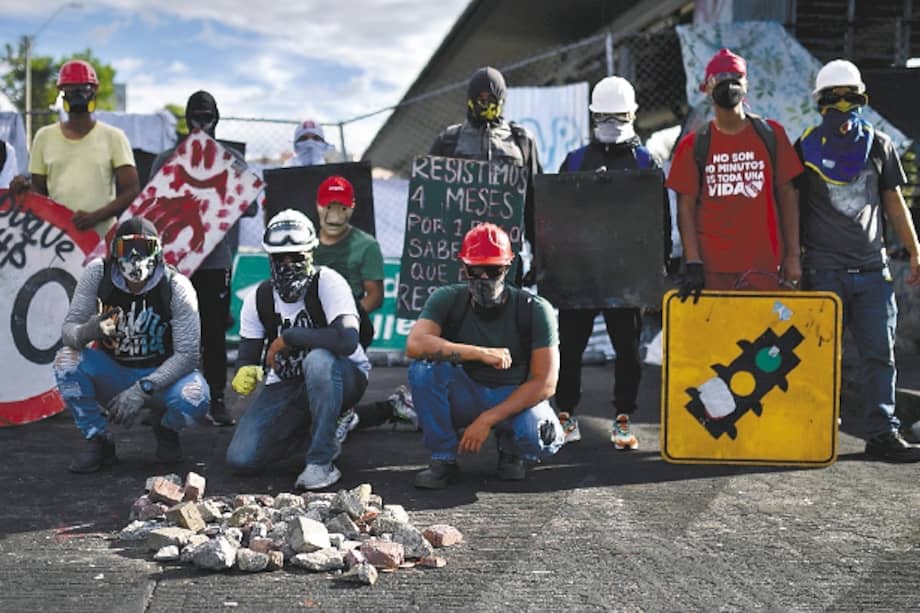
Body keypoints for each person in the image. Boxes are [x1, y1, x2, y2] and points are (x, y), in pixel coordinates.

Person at [795, 59, 920, 462]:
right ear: (820, 103)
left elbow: (894, 204)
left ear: (863, 100)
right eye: (835, 99)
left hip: (870, 271)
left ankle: (883, 433)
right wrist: (791, 261)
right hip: (823, 270)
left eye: (853, 98)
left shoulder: (879, 145)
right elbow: (793, 209)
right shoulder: (806, 148)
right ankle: (813, 428)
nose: (844, 108)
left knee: (879, 354)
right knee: (817, 353)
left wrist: (916, 250)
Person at [554, 75, 672, 450]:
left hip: (626, 278)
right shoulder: (575, 161)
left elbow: (660, 223)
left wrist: (657, 273)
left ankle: (623, 418)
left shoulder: (645, 160)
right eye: (605, 116)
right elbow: (554, 218)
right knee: (570, 348)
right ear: (593, 117)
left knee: (627, 350)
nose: (611, 123)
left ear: (632, 115)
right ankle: (565, 414)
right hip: (581, 275)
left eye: (616, 115)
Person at [407, 223, 564, 489]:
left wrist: (487, 420)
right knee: (423, 368)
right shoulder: (448, 298)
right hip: (468, 390)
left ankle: (512, 447)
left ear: (507, 268)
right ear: (464, 269)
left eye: (492, 271)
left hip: (513, 394)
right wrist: (480, 354)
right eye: (474, 270)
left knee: (541, 437)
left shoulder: (534, 309)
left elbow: (546, 383)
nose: (483, 279)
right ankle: (443, 457)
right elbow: (415, 344)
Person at [225, 209, 370, 491]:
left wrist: (290, 337)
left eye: (297, 257)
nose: (288, 264)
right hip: (288, 384)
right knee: (241, 459)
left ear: (311, 255)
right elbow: (247, 353)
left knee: (317, 360)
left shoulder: (328, 282)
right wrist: (245, 370)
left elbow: (348, 340)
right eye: (281, 258)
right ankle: (325, 430)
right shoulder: (260, 297)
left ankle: (321, 462)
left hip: (344, 375)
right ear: (270, 258)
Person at [53, 217, 210, 473]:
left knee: (195, 398)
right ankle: (97, 437)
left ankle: (166, 429)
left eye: (144, 249)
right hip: (115, 369)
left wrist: (142, 389)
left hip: (162, 376)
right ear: (115, 251)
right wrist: (89, 330)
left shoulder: (176, 285)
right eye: (128, 249)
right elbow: (68, 332)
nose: (136, 258)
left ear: (157, 250)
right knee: (66, 360)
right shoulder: (98, 273)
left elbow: (188, 354)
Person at [147, 90, 255, 427]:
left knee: (213, 332)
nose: (201, 122)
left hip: (214, 261)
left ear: (217, 118)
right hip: (174, 260)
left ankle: (217, 400)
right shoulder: (167, 158)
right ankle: (162, 398)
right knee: (166, 328)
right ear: (186, 119)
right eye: (196, 115)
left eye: (207, 115)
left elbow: (249, 205)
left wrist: (229, 178)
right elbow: (150, 204)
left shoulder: (232, 157)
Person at [666, 48, 803, 298]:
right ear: (707, 88)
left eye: (735, 76)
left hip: (766, 268)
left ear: (746, 85)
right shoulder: (693, 145)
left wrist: (793, 255)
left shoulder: (771, 135)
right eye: (718, 79)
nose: (728, 84)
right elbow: (684, 209)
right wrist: (693, 263)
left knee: (768, 336)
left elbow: (788, 196)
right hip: (713, 272)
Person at [307, 175, 416, 436]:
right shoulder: (304, 240)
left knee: (331, 401)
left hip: (349, 320)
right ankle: (386, 408)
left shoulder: (366, 245)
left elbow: (374, 295)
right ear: (318, 205)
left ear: (352, 208)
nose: (335, 214)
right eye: (329, 206)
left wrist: (345, 320)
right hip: (307, 318)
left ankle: (348, 409)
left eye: (342, 207)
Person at [10, 59, 139, 235]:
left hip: (102, 240)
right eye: (71, 90)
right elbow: (39, 189)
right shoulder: (44, 137)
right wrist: (24, 188)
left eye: (84, 89)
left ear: (94, 91)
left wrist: (96, 216)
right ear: (61, 93)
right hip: (58, 240)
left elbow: (131, 190)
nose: (78, 95)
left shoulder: (114, 137)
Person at [430, 66, 541, 264]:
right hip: (459, 253)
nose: (486, 104)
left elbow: (534, 201)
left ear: (502, 100)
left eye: (492, 98)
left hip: (507, 251)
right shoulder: (449, 140)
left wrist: (539, 255)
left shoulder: (521, 140)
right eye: (481, 98)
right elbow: (430, 205)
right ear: (470, 98)